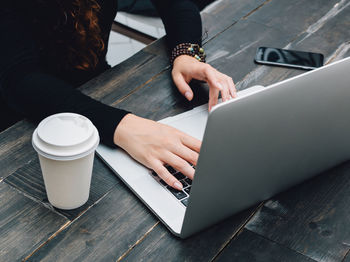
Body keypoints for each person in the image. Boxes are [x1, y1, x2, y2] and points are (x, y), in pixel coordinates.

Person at [0, 0, 236, 191]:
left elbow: (176, 4)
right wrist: (123, 127)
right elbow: (20, 79)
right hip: (22, 123)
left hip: (102, 92)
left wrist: (186, 53)